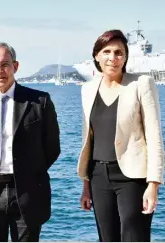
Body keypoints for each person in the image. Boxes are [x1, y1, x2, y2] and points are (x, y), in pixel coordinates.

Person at [0, 41, 60, 241]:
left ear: (15, 66)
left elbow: (52, 148)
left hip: (27, 191)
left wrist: (28, 172)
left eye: (5, 64)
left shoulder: (39, 102)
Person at [77, 29, 164, 242]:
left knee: (135, 237)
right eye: (106, 52)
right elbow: (88, 139)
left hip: (132, 178)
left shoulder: (141, 84)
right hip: (98, 177)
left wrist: (153, 185)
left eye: (119, 52)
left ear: (125, 56)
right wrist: (86, 185)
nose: (113, 58)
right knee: (107, 239)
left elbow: (154, 138)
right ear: (96, 56)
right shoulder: (87, 89)